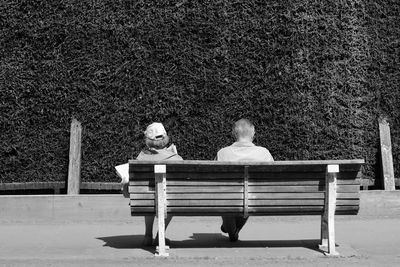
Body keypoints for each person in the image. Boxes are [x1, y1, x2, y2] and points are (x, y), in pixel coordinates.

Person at [121, 122, 183, 246]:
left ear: (148, 140)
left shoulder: (140, 158)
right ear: (165, 139)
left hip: (145, 199)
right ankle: (160, 235)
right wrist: (172, 154)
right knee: (170, 199)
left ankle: (148, 235)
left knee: (149, 195)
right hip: (170, 200)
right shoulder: (176, 159)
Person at [216, 118, 274, 241]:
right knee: (248, 197)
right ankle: (232, 229)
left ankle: (230, 228)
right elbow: (273, 177)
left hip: (227, 197)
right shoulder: (264, 153)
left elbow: (214, 178)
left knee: (226, 197)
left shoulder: (222, 153)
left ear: (234, 133)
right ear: (253, 133)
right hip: (256, 197)